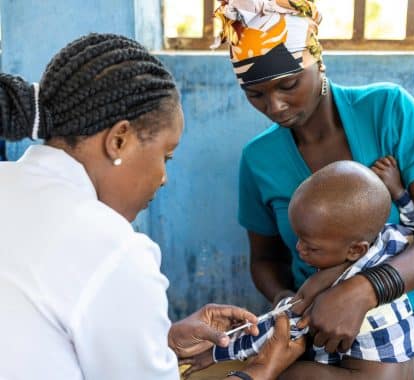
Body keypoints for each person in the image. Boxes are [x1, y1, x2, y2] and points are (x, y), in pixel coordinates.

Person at [0, 33, 305, 380]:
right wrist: (261, 370)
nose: (163, 179)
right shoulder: (113, 249)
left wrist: (162, 341)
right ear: (119, 140)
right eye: (166, 156)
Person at [213, 0, 414, 366]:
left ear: (316, 59)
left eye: (289, 84)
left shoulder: (389, 112)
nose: (275, 106)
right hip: (318, 340)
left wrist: (366, 290)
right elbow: (265, 258)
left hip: (405, 334)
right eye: (255, 94)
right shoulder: (258, 159)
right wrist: (289, 303)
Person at [180, 160, 414, 379]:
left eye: (311, 247)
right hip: (406, 368)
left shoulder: (324, 284)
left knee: (288, 373)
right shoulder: (391, 239)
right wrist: (399, 193)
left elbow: (275, 333)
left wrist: (216, 353)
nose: (298, 249)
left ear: (355, 250)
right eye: (299, 238)